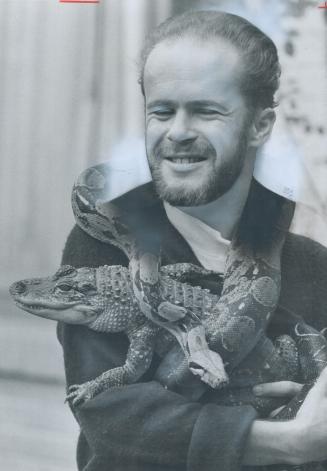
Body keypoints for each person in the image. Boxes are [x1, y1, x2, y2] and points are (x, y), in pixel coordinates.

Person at [57, 11, 327, 471]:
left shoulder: (312, 264)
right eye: (162, 110)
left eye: (206, 110)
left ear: (260, 125)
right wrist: (289, 440)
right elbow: (113, 419)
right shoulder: (101, 244)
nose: (177, 131)